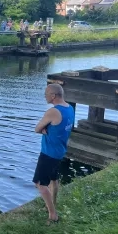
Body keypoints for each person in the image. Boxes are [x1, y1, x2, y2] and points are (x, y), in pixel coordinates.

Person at [33, 84, 74, 225]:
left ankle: (53, 215)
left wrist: (44, 128)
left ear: (53, 96)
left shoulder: (53, 112)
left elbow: (37, 129)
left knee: (40, 184)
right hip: (60, 151)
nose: (45, 96)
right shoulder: (69, 108)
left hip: (48, 153)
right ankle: (52, 204)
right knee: (54, 180)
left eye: (46, 94)